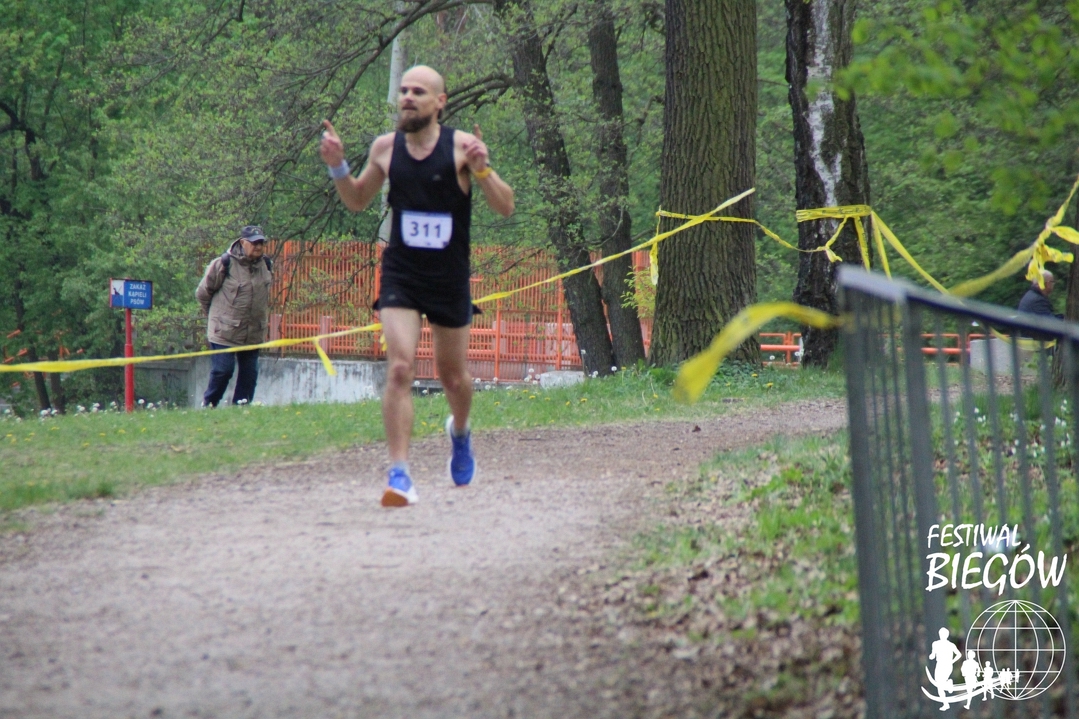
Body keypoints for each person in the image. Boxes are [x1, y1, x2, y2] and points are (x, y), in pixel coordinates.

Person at [319, 65, 514, 507]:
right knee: (400, 368)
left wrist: (483, 172)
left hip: (448, 278)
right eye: (404, 90)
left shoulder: (462, 148)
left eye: (418, 91)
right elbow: (356, 200)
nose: (407, 96)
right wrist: (338, 167)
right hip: (401, 274)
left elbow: (505, 207)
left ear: (439, 102)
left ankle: (460, 433)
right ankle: (400, 474)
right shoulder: (385, 149)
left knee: (454, 378)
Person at [196, 225, 274, 407]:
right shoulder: (224, 263)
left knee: (249, 375)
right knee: (223, 370)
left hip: (253, 332)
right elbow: (202, 293)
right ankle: (209, 404)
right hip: (224, 331)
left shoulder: (266, 265)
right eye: (254, 243)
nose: (258, 247)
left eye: (261, 243)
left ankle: (241, 408)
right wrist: (215, 318)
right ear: (242, 243)